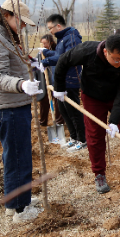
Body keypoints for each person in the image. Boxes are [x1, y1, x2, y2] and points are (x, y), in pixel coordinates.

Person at [52, 33, 120, 194]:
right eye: (116, 59)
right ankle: (99, 174)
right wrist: (59, 87)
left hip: (116, 96)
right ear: (106, 52)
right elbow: (63, 61)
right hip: (92, 97)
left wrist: (114, 120)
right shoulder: (87, 51)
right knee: (95, 135)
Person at [0, 0, 44, 222]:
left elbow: (10, 64)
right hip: (7, 107)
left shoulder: (4, 36)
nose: (23, 26)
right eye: (21, 22)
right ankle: (19, 209)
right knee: (16, 158)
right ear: (7, 15)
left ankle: (19, 200)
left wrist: (29, 63)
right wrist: (21, 85)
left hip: (13, 105)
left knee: (20, 155)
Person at [40, 14, 86, 152]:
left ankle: (82, 139)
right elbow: (58, 56)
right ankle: (73, 138)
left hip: (70, 80)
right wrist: (46, 53)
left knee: (73, 111)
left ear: (58, 26)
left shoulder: (72, 37)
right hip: (60, 82)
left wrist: (46, 61)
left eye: (50, 28)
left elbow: (67, 57)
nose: (50, 32)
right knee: (64, 112)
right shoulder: (61, 39)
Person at [37, 34, 64, 127]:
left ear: (51, 42)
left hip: (55, 81)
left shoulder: (57, 51)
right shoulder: (40, 54)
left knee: (58, 103)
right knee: (44, 102)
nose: (43, 45)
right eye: (42, 43)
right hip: (45, 82)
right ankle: (43, 122)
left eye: (45, 43)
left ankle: (59, 122)